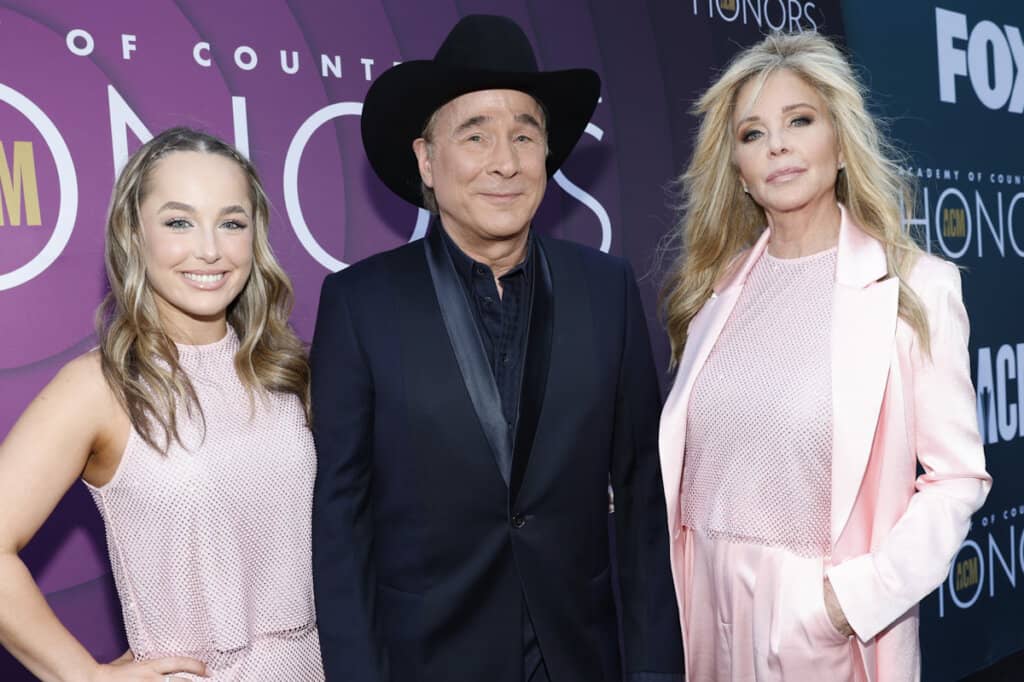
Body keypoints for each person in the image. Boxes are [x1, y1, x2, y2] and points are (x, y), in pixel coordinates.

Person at [310, 14, 682, 682]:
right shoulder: (359, 304)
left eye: (524, 134)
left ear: (547, 154)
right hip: (427, 662)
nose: (504, 161)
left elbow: (641, 503)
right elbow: (342, 525)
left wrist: (655, 671)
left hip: (580, 658)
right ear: (427, 158)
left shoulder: (607, 291)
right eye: (475, 134)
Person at [658, 31, 991, 681]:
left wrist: (846, 602)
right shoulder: (713, 292)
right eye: (753, 134)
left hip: (818, 624)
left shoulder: (915, 287)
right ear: (739, 171)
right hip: (699, 609)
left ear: (841, 143)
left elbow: (957, 479)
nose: (777, 145)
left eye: (799, 121)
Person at [0, 127, 324, 681]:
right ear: (133, 234)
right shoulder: (100, 387)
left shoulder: (286, 370)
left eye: (232, 222)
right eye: (178, 222)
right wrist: (84, 676)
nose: (210, 249)